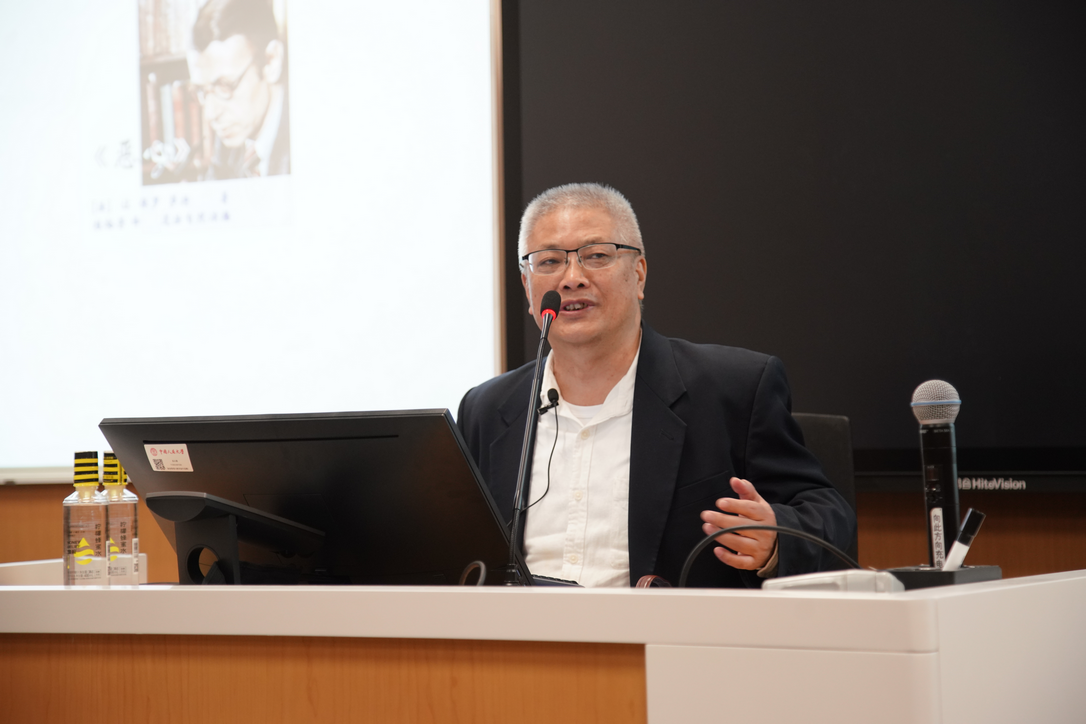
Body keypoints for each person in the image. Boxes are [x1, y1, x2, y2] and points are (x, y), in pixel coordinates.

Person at [457, 183, 855, 588]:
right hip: (517, 629)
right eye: (549, 262)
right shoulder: (486, 409)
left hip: (670, 628)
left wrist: (776, 541)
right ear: (528, 287)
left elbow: (828, 514)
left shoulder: (734, 388)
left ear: (639, 274)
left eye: (597, 256)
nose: (572, 278)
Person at [187, 0, 290, 180]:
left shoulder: (307, 139)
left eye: (225, 85)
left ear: (272, 61)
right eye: (202, 91)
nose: (211, 114)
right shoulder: (227, 146)